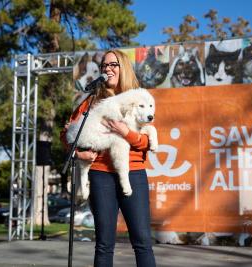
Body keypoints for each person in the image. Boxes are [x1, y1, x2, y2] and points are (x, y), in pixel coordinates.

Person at [61, 50, 156, 267]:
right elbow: (67, 135)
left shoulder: (139, 98)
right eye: (104, 65)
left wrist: (125, 132)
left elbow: (146, 143)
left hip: (133, 175)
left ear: (124, 68)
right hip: (100, 176)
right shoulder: (92, 101)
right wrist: (78, 153)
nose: (107, 69)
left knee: (142, 242)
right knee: (104, 244)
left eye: (113, 65)